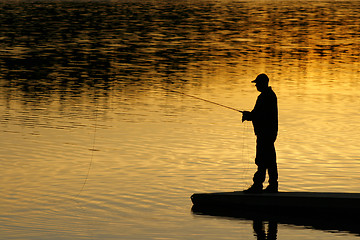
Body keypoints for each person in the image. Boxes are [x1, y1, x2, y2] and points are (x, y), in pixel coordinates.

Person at [242, 73, 278, 193]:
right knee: (270, 160)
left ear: (263, 84)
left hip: (265, 134)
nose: (256, 85)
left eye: (257, 83)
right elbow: (258, 114)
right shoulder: (270, 96)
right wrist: (250, 115)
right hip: (270, 133)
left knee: (262, 159)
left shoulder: (264, 97)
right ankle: (272, 185)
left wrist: (249, 116)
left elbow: (259, 115)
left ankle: (258, 185)